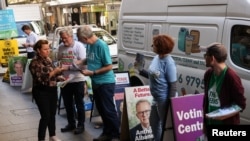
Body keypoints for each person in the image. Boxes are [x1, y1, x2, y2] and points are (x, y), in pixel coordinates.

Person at [76, 25, 120, 141]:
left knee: (108, 109)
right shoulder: (89, 46)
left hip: (105, 83)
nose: (81, 43)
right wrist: (81, 61)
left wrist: (93, 73)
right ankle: (107, 133)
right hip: (96, 83)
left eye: (80, 40)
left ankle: (116, 134)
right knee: (102, 109)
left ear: (85, 38)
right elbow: (91, 59)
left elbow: (109, 66)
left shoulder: (101, 45)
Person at [201, 42, 246, 136]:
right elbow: (207, 99)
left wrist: (224, 115)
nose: (204, 57)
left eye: (206, 55)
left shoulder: (231, 77)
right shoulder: (208, 74)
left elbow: (241, 104)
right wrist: (204, 124)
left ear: (212, 58)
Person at [29, 39, 67, 141]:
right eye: (45, 49)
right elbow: (41, 79)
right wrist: (55, 72)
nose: (48, 51)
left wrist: (60, 76)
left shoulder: (48, 60)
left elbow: (53, 75)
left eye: (48, 48)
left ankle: (52, 135)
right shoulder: (34, 62)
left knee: (52, 114)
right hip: (41, 91)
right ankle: (41, 138)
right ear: (38, 50)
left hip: (52, 89)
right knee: (45, 115)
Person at [57, 27, 86, 135]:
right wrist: (60, 70)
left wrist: (68, 68)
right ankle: (71, 123)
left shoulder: (79, 47)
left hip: (78, 79)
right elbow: (59, 60)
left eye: (65, 38)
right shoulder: (61, 47)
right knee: (68, 103)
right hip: (65, 80)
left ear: (71, 36)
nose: (64, 41)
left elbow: (83, 64)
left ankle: (81, 125)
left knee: (79, 103)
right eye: (62, 38)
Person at [148, 34, 177, 141]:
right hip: (155, 98)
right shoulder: (156, 58)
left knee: (165, 125)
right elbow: (154, 74)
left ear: (160, 47)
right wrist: (140, 70)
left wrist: (170, 103)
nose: (152, 46)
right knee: (153, 123)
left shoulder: (169, 62)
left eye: (154, 45)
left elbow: (173, 85)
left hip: (164, 100)